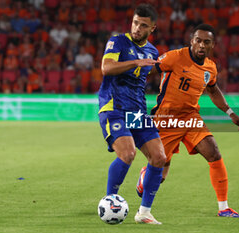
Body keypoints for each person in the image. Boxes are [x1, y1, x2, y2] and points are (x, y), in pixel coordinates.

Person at [136, 24, 239, 218]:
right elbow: (149, 69)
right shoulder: (175, 57)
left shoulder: (210, 67)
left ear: (212, 45)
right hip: (167, 117)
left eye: (206, 42)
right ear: (192, 41)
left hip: (191, 117)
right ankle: (146, 175)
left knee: (214, 153)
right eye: (198, 40)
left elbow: (212, 90)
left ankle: (224, 208)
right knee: (159, 172)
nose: (201, 45)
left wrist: (230, 112)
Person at [98, 4, 166, 225]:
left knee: (159, 158)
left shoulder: (153, 52)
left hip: (137, 111)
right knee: (127, 154)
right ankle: (109, 202)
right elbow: (106, 68)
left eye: (143, 25)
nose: (137, 28)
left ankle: (144, 213)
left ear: (152, 28)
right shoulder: (118, 41)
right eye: (135, 22)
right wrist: (135, 62)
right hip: (114, 108)